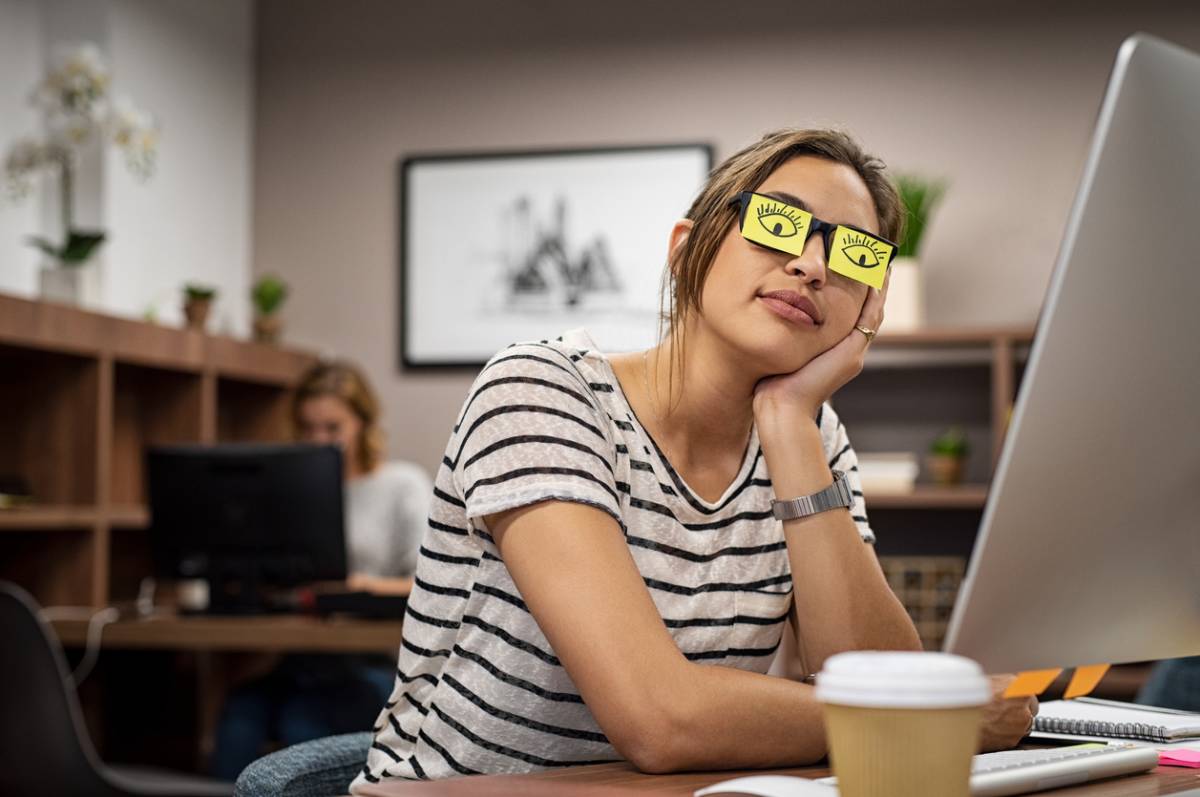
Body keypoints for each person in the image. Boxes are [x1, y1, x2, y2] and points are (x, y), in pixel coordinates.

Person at [352, 129, 1035, 789]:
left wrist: (789, 424)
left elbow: (863, 670)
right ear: (687, 249)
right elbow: (658, 718)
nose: (813, 265)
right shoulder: (542, 389)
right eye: (778, 222)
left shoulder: (815, 438)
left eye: (856, 255)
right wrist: (943, 718)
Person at [210, 360, 432, 781]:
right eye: (308, 428)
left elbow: (431, 582)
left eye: (332, 428)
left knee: (302, 721)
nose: (319, 440)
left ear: (363, 424)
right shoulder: (286, 491)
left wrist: (363, 587)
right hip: (300, 655)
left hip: (368, 660)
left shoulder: (402, 485)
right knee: (239, 718)